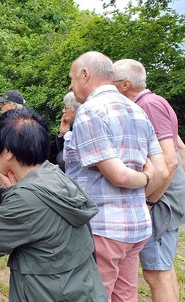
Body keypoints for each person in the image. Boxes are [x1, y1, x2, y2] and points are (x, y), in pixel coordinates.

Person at [0, 108, 107, 301]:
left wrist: (9, 198)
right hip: (81, 290)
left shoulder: (25, 199)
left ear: (7, 152)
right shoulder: (55, 174)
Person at [65, 51, 168, 302]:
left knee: (94, 296)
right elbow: (162, 170)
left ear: (85, 74)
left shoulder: (90, 111)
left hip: (103, 229)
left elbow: (118, 175)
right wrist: (140, 193)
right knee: (125, 296)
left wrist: (141, 180)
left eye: (72, 78)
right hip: (137, 226)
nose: (70, 85)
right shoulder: (136, 110)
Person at [113, 58, 185, 302]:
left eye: (111, 83)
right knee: (163, 268)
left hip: (161, 199)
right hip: (170, 195)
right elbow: (180, 148)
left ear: (124, 85)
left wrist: (150, 200)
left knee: (156, 273)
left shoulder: (147, 106)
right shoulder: (156, 101)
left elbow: (170, 160)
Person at [55, 91, 81, 172]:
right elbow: (64, 150)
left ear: (74, 108)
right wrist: (62, 134)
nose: (63, 111)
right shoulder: (74, 125)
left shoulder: (82, 125)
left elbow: (64, 158)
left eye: (65, 107)